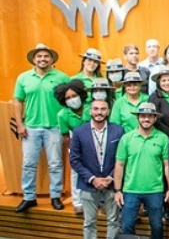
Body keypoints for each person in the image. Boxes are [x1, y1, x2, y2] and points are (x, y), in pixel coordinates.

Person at [14, 44, 70, 212]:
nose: (43, 59)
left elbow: (69, 102)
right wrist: (19, 124)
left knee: (55, 164)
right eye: (39, 56)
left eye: (46, 56)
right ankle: (29, 197)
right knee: (28, 164)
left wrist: (66, 126)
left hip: (54, 127)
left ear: (52, 59)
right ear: (34, 59)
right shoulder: (23, 78)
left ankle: (55, 196)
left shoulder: (62, 77)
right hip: (30, 127)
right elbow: (18, 101)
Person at [114, 102, 169, 239]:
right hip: (130, 190)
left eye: (150, 116)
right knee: (127, 226)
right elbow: (119, 165)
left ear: (155, 118)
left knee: (157, 226)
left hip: (155, 190)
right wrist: (117, 190)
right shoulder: (126, 138)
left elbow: (167, 166)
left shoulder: (163, 138)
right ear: (138, 118)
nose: (146, 119)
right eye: (143, 116)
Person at [69, 99, 124, 239]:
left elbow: (122, 158)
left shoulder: (118, 131)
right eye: (96, 109)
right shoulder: (79, 132)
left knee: (114, 220)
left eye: (103, 109)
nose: (99, 112)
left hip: (111, 182)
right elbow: (74, 160)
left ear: (108, 111)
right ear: (90, 111)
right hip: (88, 183)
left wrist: (111, 176)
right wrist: (92, 179)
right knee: (89, 222)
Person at [55, 79, 91, 214]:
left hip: (94, 143)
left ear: (80, 94)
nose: (72, 99)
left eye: (74, 96)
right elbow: (65, 136)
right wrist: (74, 152)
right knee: (76, 172)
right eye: (68, 98)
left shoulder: (91, 107)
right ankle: (77, 202)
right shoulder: (62, 114)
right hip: (75, 144)